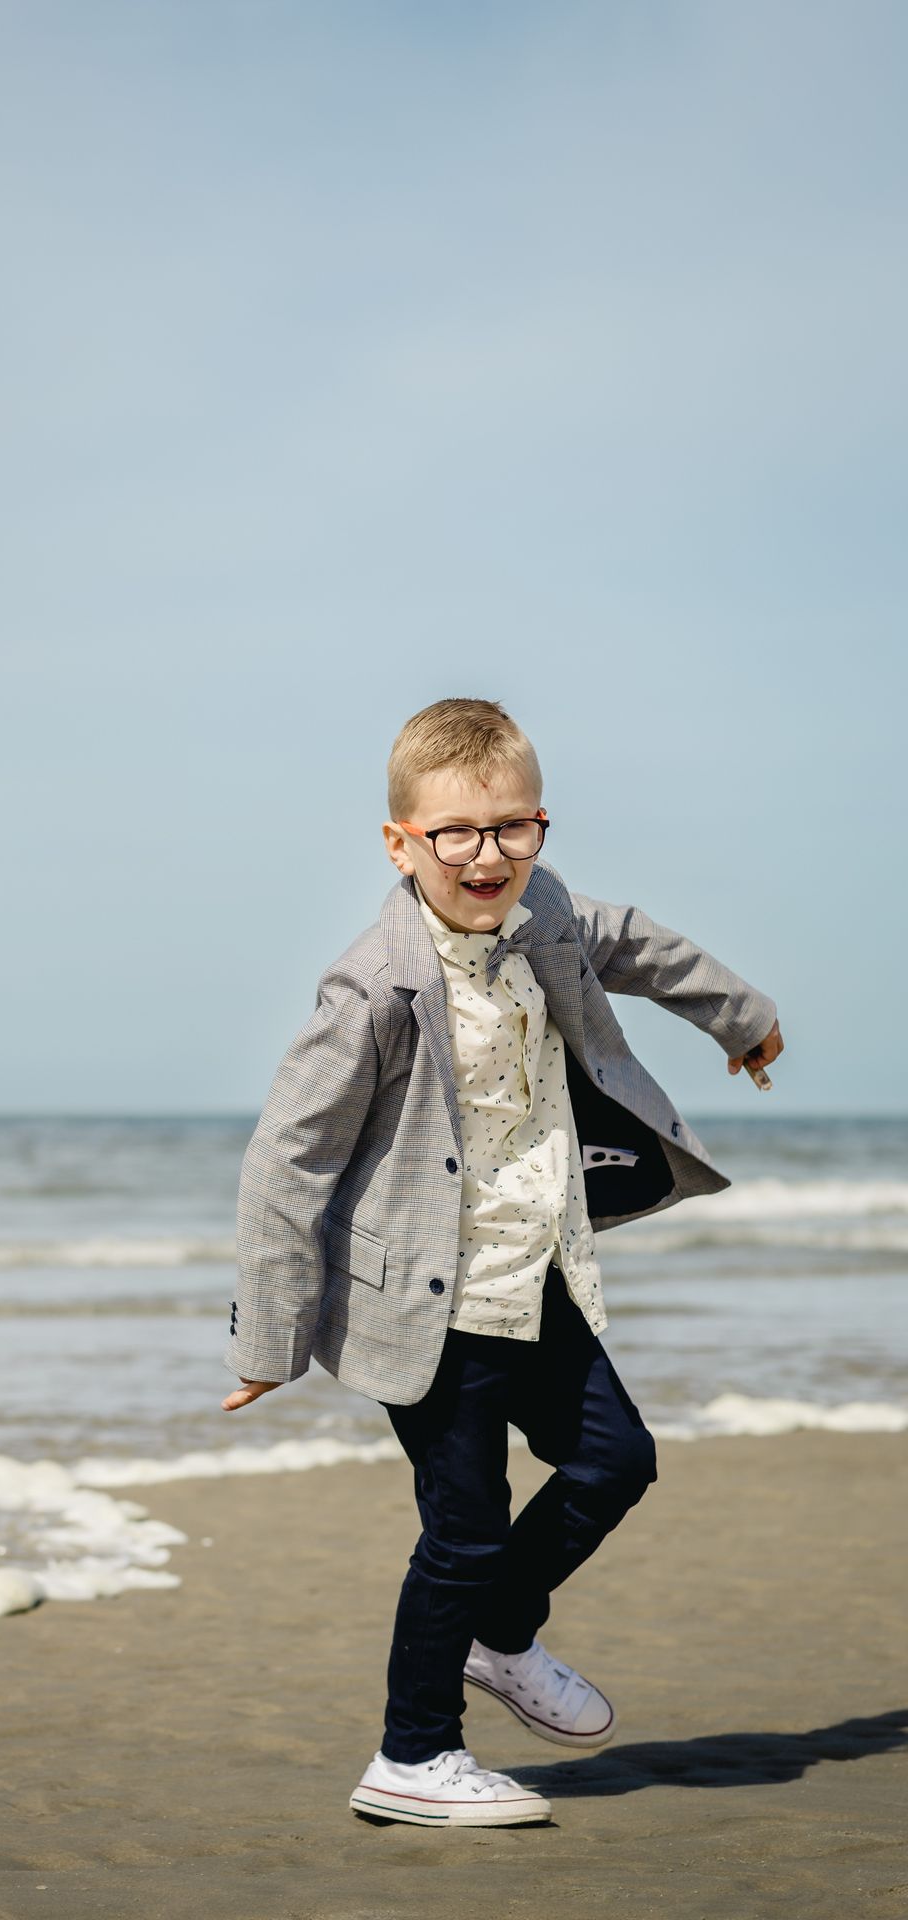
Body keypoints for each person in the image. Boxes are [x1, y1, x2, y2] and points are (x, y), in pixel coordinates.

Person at [220, 697, 783, 1828]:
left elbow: (637, 944)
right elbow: (288, 1159)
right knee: (462, 1526)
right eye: (454, 835)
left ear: (538, 826)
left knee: (615, 1462)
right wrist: (269, 1341)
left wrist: (740, 1018)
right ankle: (410, 1755)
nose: (485, 857)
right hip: (426, 1305)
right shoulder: (373, 987)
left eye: (510, 829)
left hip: (536, 1273)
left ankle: (497, 1633)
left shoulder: (548, 913)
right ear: (400, 843)